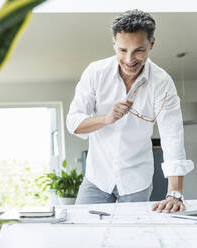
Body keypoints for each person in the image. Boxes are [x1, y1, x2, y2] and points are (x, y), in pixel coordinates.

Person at [66, 9, 194, 213]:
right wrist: (107, 119)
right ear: (114, 44)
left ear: (151, 44)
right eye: (123, 50)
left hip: (136, 180)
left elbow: (172, 136)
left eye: (139, 50)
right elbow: (73, 123)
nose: (129, 59)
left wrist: (174, 193)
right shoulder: (95, 73)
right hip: (97, 177)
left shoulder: (162, 83)